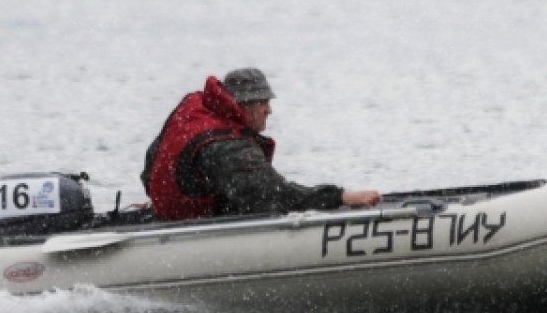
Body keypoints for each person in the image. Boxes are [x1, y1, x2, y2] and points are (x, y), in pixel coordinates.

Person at [141, 68, 382, 220]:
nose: (269, 110)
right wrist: (341, 197)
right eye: (263, 103)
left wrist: (179, 196)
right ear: (243, 105)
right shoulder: (226, 146)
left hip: (173, 215)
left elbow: (150, 168)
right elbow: (277, 196)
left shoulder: (194, 114)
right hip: (190, 229)